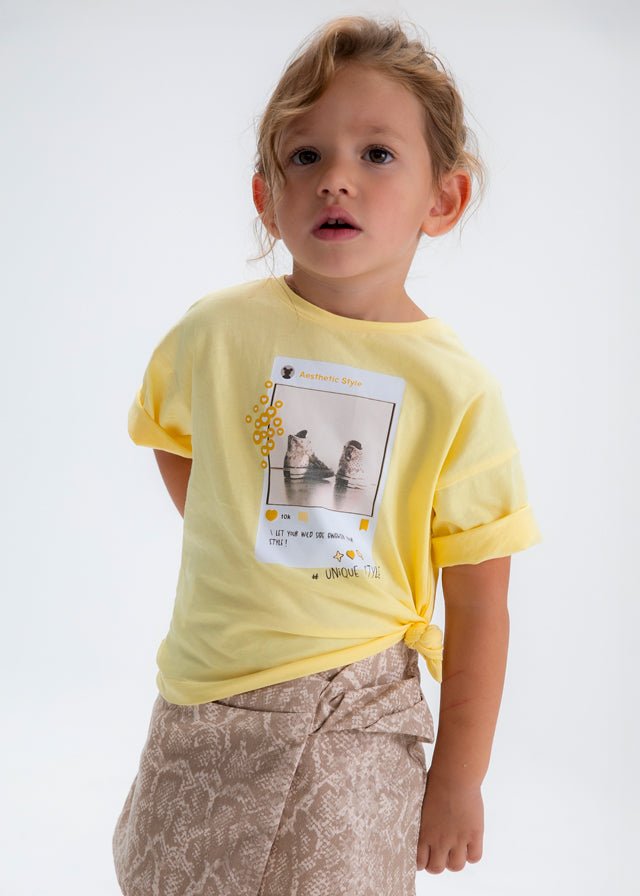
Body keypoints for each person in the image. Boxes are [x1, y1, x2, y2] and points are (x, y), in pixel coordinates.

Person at [112, 14, 542, 895]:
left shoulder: (456, 389)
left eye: (377, 154)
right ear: (266, 196)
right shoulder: (217, 332)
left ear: (444, 198)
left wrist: (459, 780)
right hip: (203, 696)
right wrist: (237, 532)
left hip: (356, 713)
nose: (336, 178)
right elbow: (171, 437)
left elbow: (481, 605)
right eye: (305, 156)